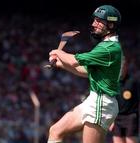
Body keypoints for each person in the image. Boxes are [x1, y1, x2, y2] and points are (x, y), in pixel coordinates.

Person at [47, 5, 122, 143]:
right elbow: (85, 71)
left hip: (102, 103)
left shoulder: (109, 48)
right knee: (55, 131)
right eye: (94, 20)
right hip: (93, 100)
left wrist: (58, 53)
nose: (94, 24)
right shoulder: (104, 46)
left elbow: (75, 61)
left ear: (111, 24)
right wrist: (60, 64)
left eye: (99, 21)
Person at [109, 61, 140, 143]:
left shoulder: (134, 81)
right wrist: (110, 120)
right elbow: (110, 102)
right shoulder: (113, 83)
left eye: (122, 66)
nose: (120, 69)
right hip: (117, 118)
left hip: (131, 118)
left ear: (126, 66)